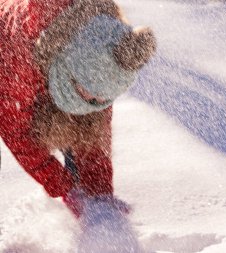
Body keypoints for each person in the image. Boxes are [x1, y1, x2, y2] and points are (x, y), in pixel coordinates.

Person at [0, 0, 156, 217]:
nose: (93, 103)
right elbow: (18, 134)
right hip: (12, 63)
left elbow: (93, 134)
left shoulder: (103, 54)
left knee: (80, 120)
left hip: (49, 70)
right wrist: (64, 188)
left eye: (100, 99)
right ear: (70, 70)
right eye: (89, 94)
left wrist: (100, 196)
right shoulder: (19, 59)